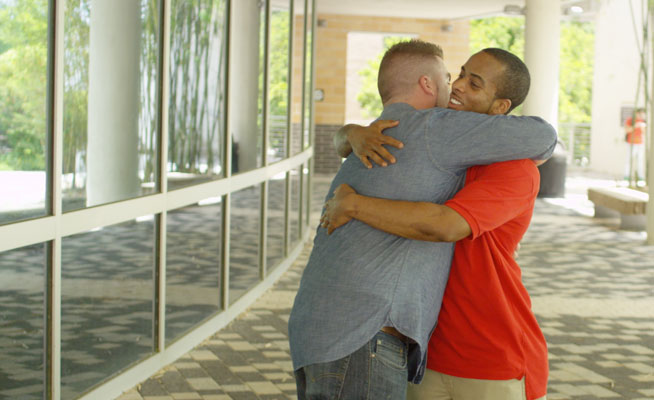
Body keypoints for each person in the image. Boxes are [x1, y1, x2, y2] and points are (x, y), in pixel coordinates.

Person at [287, 40, 556, 399]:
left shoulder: (502, 164)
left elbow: (444, 224)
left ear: (501, 107)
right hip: (399, 343)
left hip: (484, 349)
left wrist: (354, 203)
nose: (458, 85)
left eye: (473, 84)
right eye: (457, 75)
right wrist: (348, 133)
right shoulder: (419, 135)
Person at [624, 108, 646, 184]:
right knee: (629, 160)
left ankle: (641, 177)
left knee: (640, 161)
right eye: (640, 113)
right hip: (631, 143)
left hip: (640, 143)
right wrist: (635, 126)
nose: (641, 115)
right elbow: (627, 130)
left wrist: (642, 127)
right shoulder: (630, 120)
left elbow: (645, 133)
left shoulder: (643, 121)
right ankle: (627, 176)